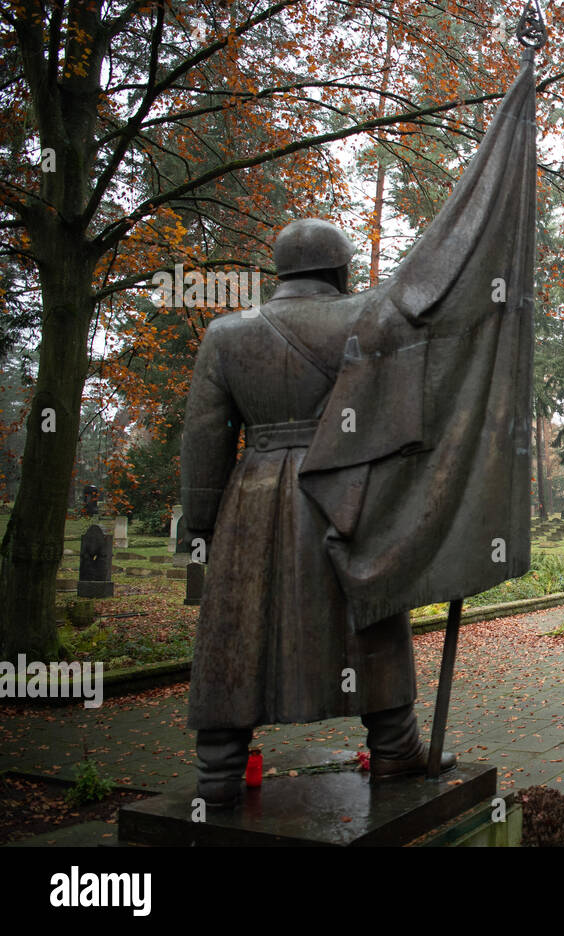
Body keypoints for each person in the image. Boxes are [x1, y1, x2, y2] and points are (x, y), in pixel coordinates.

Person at [181, 219, 453, 807]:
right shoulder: (370, 316)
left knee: (236, 624)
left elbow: (205, 436)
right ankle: (394, 748)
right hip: (348, 491)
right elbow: (409, 408)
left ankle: (220, 769)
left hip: (253, 494)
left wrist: (203, 519)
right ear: (339, 267)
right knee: (371, 612)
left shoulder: (226, 334)